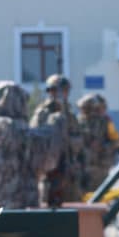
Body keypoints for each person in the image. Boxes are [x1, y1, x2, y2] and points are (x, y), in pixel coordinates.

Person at [0, 80, 57, 208]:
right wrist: (50, 125)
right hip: (10, 195)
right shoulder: (2, 125)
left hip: (11, 194)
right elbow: (36, 147)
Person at [32, 74, 84, 206]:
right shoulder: (43, 113)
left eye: (65, 91)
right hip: (50, 169)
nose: (61, 94)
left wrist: (71, 143)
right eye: (56, 90)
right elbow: (36, 138)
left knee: (71, 204)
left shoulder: (70, 114)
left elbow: (78, 138)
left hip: (68, 168)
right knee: (48, 202)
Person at [77, 92, 119, 193]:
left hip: (100, 166)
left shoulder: (105, 122)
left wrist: (103, 147)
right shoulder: (78, 121)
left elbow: (117, 141)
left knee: (100, 195)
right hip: (82, 167)